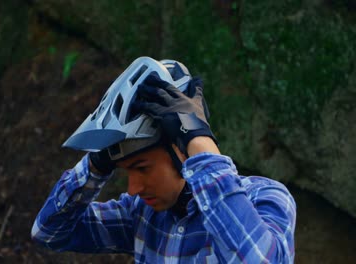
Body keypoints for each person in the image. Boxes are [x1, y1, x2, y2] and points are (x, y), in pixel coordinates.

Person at [31, 57, 296, 263]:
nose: (133, 188)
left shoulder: (265, 197)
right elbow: (49, 232)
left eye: (142, 168)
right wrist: (96, 166)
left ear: (181, 150)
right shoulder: (140, 215)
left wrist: (198, 140)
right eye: (126, 172)